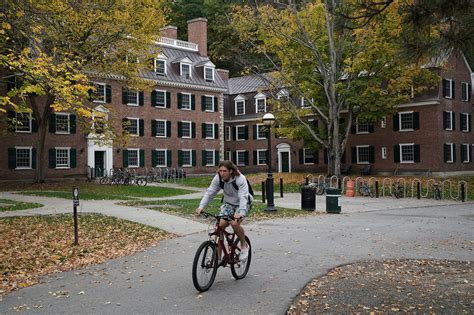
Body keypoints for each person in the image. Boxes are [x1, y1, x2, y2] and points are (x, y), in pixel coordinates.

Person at [195, 160, 253, 262]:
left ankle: (244, 246)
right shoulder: (218, 178)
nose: (222, 173)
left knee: (235, 223)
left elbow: (243, 197)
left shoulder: (240, 179)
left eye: (224, 171)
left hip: (242, 203)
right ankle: (218, 257)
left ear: (231, 171)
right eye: (220, 170)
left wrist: (241, 213)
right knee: (220, 226)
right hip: (228, 203)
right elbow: (210, 192)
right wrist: (201, 207)